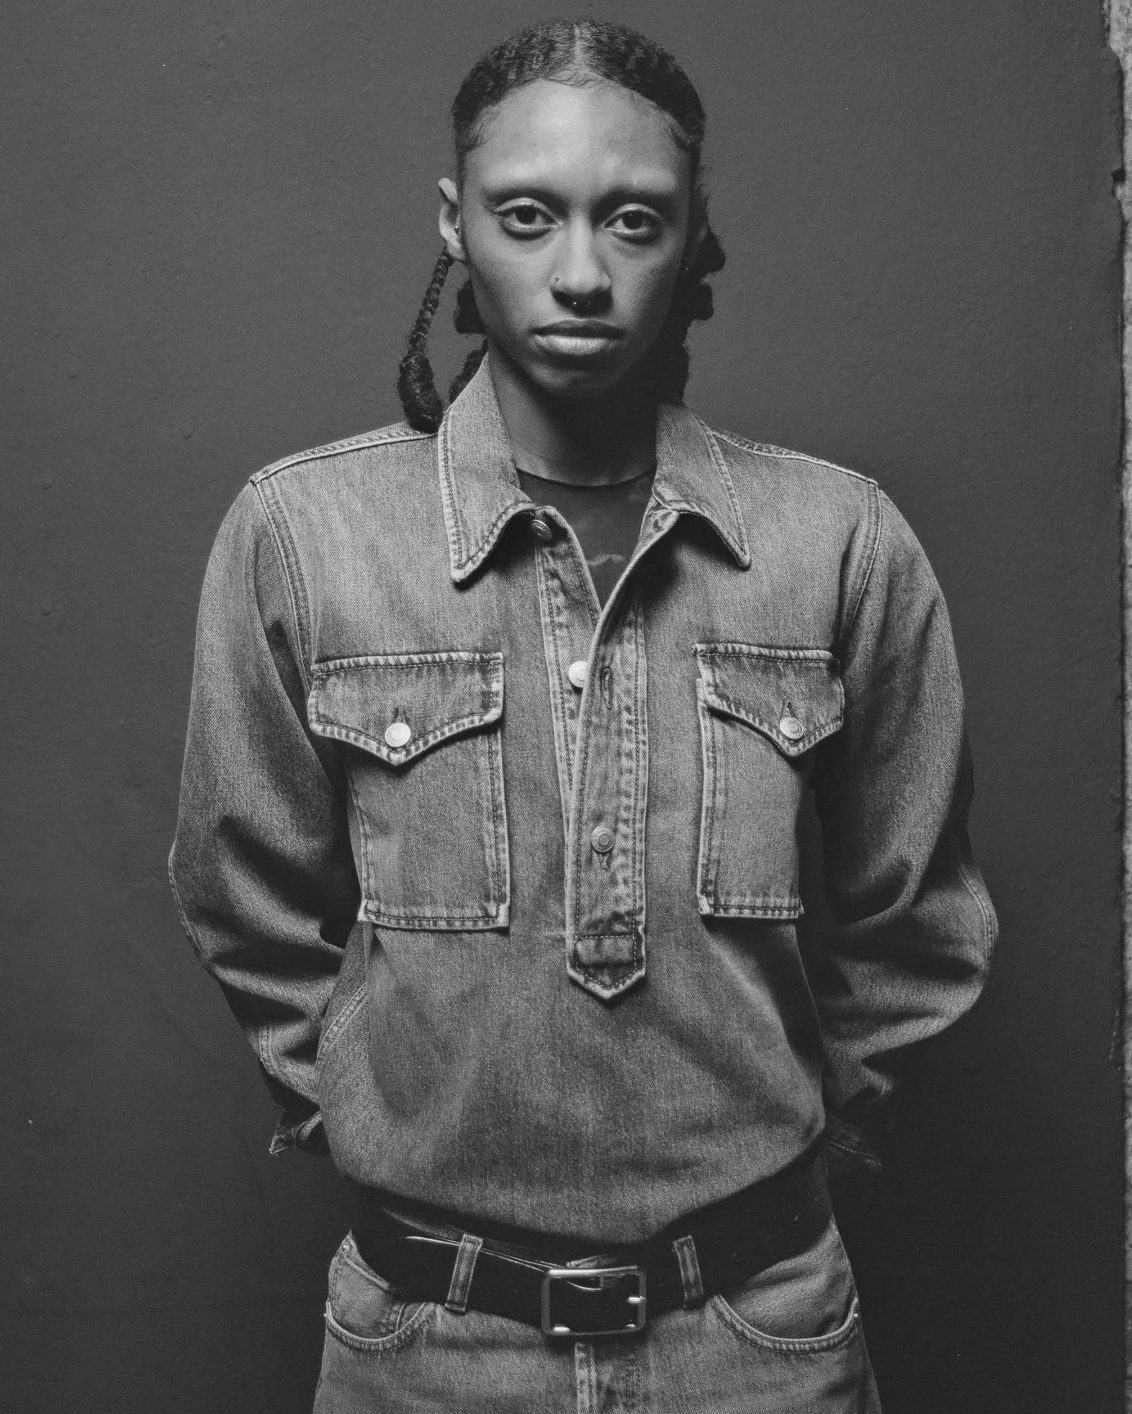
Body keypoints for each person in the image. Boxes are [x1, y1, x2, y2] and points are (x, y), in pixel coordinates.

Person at [169, 19, 996, 1413]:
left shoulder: (837, 540)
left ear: (694, 234)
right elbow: (241, 897)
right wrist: (379, 1107)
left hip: (760, 1339)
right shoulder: (304, 536)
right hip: (424, 1346)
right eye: (526, 215)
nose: (579, 273)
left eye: (632, 219)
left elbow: (918, 923)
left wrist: (782, 1137)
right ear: (455, 223)